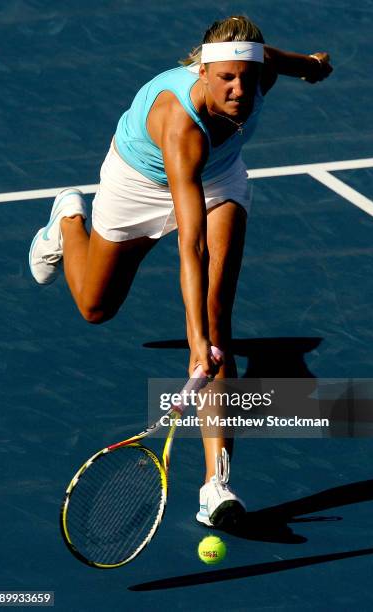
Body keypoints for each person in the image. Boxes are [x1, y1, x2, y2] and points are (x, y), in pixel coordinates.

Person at [29, 15, 332, 528]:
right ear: (203, 71)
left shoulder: (259, 74)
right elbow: (188, 244)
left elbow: (276, 59)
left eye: (247, 77)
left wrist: (310, 67)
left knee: (219, 326)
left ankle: (217, 485)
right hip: (139, 181)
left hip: (220, 180)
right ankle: (68, 218)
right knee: (95, 307)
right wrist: (193, 340)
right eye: (226, 79)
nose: (239, 90)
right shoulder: (180, 123)